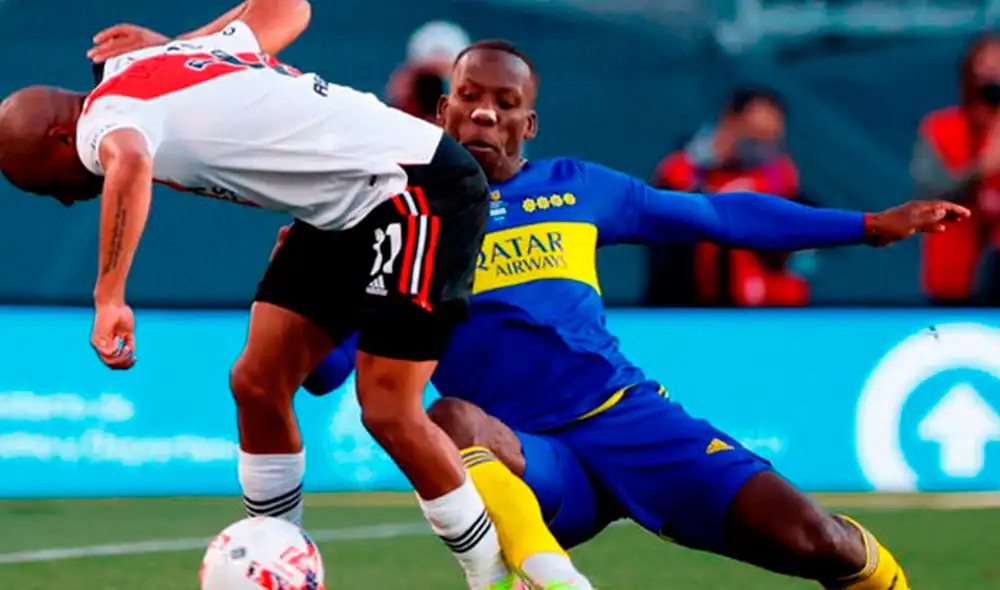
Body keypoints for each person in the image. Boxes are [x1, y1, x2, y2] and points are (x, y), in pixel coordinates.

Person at [293, 40, 970, 589]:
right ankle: (553, 580)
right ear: (444, 110)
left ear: (529, 125)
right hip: (532, 460)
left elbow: (718, 215)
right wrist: (308, 271)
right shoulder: (401, 226)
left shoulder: (577, 188)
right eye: (469, 98)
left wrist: (866, 225)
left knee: (820, 541)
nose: (485, 115)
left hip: (629, 420)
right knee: (450, 419)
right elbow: (326, 372)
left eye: (506, 103)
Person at [0, 4, 520, 588]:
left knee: (387, 408)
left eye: (45, 185)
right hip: (340, 209)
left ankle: (496, 578)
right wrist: (188, 45)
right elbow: (291, 7)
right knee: (257, 383)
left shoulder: (105, 118)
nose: (64, 199)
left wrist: (110, 295)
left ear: (59, 137)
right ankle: (277, 566)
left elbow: (130, 159)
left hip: (416, 189)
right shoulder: (158, 63)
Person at [649, 87, 807, 307]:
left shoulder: (780, 176)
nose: (763, 151)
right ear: (730, 123)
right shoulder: (680, 173)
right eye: (755, 140)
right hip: (692, 309)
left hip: (771, 311)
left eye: (772, 142)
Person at [912, 32, 1000, 305]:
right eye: (986, 64)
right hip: (955, 272)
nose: (993, 72)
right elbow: (927, 190)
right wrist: (980, 169)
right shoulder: (941, 127)